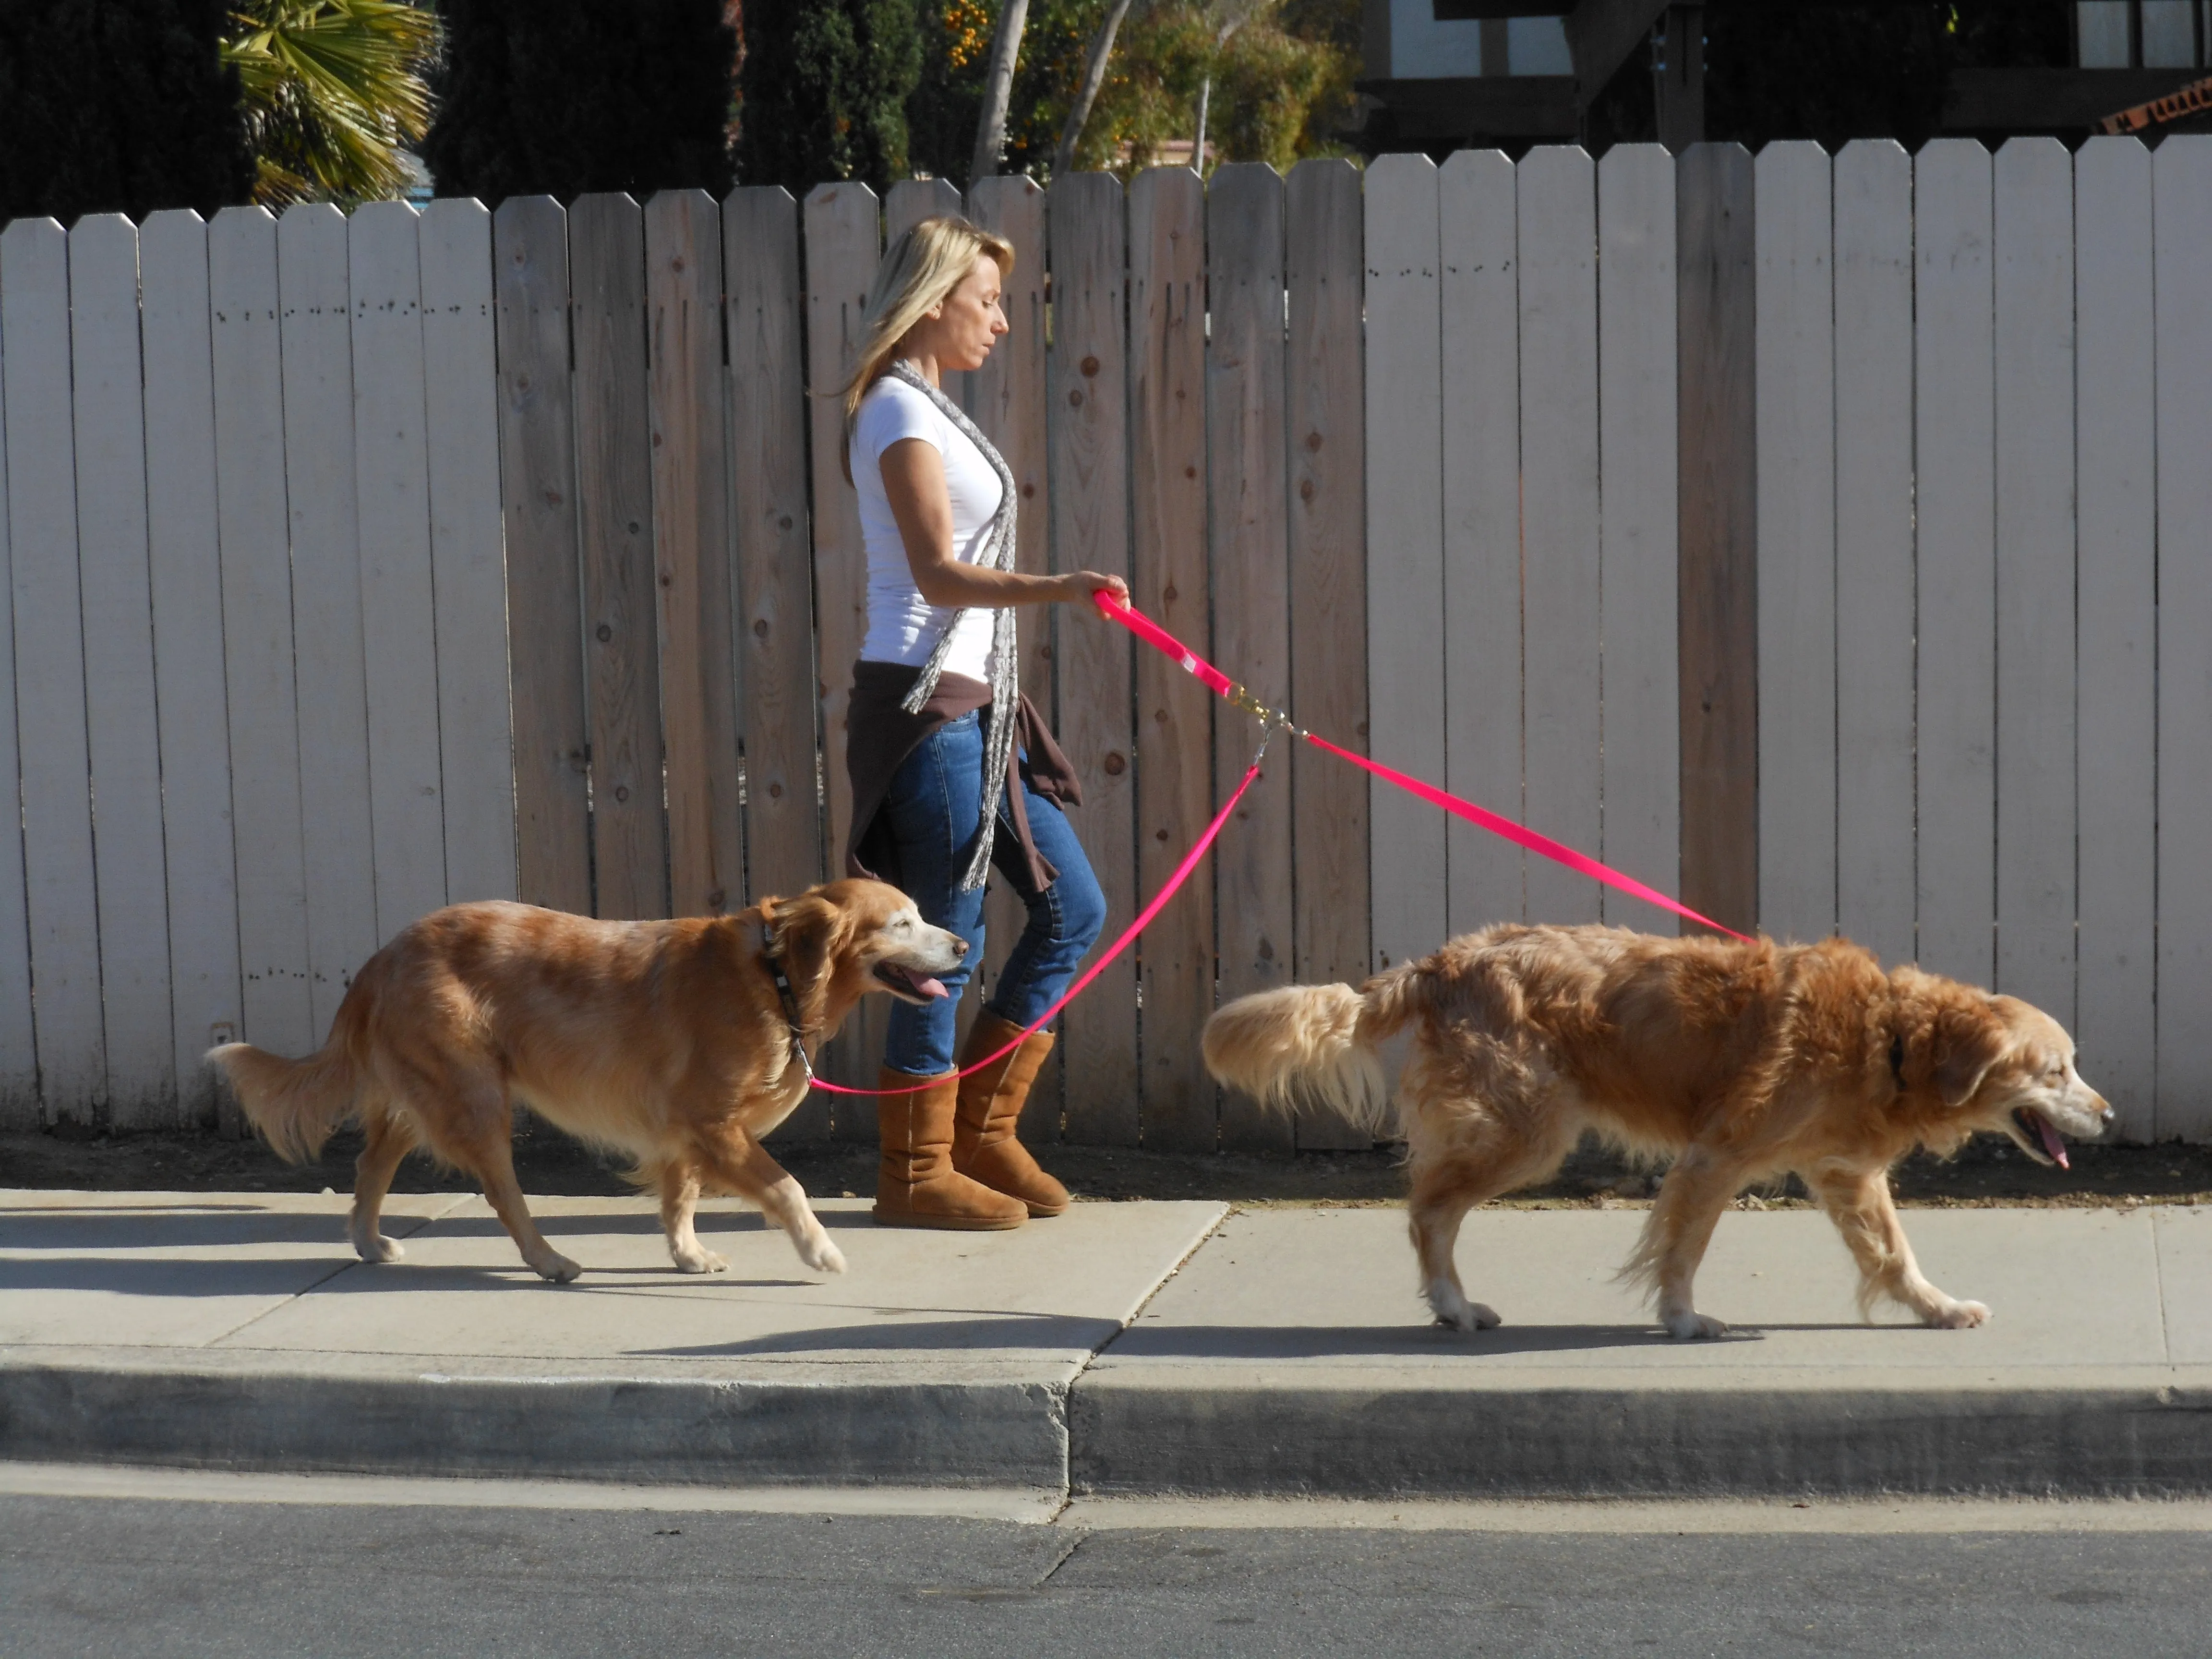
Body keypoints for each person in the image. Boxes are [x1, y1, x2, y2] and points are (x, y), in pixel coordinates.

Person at [838, 215, 1128, 1232]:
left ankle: (977, 1132)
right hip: (926, 714)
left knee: (1072, 909)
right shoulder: (893, 411)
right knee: (947, 936)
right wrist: (1063, 587)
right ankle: (913, 1174)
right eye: (989, 299)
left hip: (978, 716)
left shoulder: (928, 406)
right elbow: (934, 574)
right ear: (934, 295)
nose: (1002, 320)